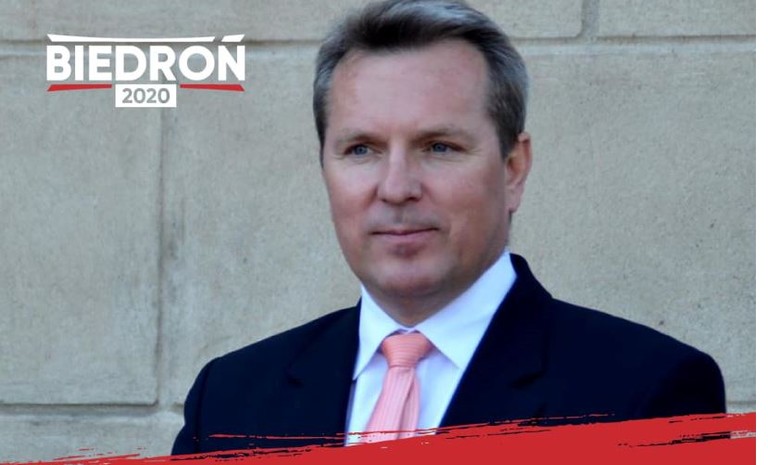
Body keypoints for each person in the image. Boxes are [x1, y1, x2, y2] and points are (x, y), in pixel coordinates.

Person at [172, 0, 725, 454]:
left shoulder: (647, 394)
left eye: (439, 147)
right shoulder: (229, 400)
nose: (396, 187)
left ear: (513, 169)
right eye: (361, 149)